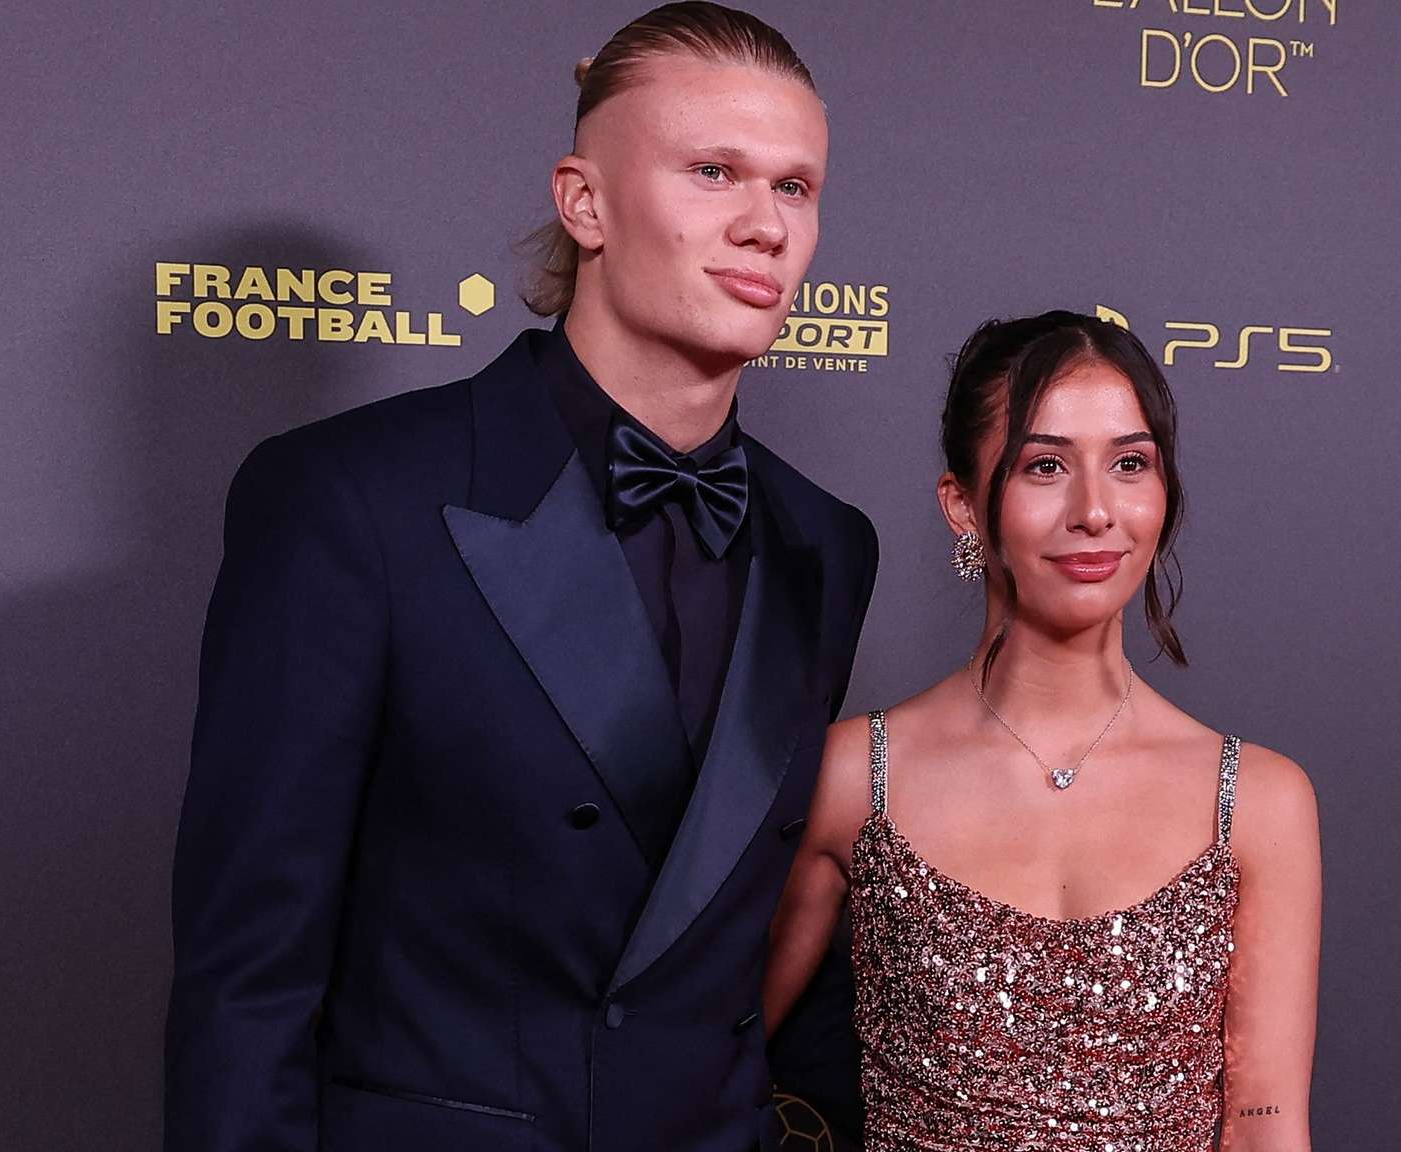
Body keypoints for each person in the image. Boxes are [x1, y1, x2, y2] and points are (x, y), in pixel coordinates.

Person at [163, 6, 878, 1151]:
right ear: (583, 201)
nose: (763, 226)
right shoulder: (353, 498)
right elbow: (247, 982)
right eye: (712, 172)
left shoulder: (826, 544)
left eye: (794, 187)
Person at [764, 311, 1320, 1151]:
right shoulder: (851, 776)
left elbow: (1265, 1125)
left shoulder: (1258, 802)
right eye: (1045, 465)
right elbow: (701, 1061)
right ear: (963, 505)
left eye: (1130, 464)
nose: (1095, 510)